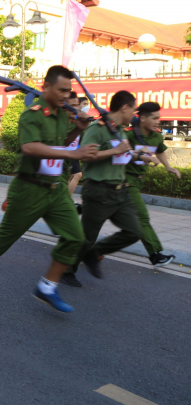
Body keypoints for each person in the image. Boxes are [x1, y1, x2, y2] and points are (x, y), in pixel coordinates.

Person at [0, 66, 97, 313]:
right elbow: (30, 148)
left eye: (68, 91)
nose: (65, 95)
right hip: (29, 187)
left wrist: (78, 130)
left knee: (74, 237)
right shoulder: (31, 114)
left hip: (56, 188)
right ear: (45, 87)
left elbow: (59, 145)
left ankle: (48, 286)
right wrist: (74, 152)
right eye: (61, 90)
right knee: (6, 238)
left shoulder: (62, 115)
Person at [68, 90, 161, 284]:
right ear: (124, 107)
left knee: (134, 231)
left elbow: (122, 153)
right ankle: (67, 269)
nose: (134, 116)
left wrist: (140, 156)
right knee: (86, 237)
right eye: (133, 111)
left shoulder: (117, 129)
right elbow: (84, 155)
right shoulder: (97, 128)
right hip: (99, 191)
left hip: (121, 191)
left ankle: (94, 254)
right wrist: (114, 150)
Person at [123, 101, 179, 267]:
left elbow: (160, 150)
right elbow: (121, 152)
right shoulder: (129, 134)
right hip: (126, 180)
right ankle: (155, 254)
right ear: (142, 118)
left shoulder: (155, 135)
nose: (157, 121)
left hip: (138, 181)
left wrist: (168, 167)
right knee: (142, 217)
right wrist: (139, 154)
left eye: (158, 118)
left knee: (98, 218)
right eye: (154, 118)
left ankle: (86, 248)